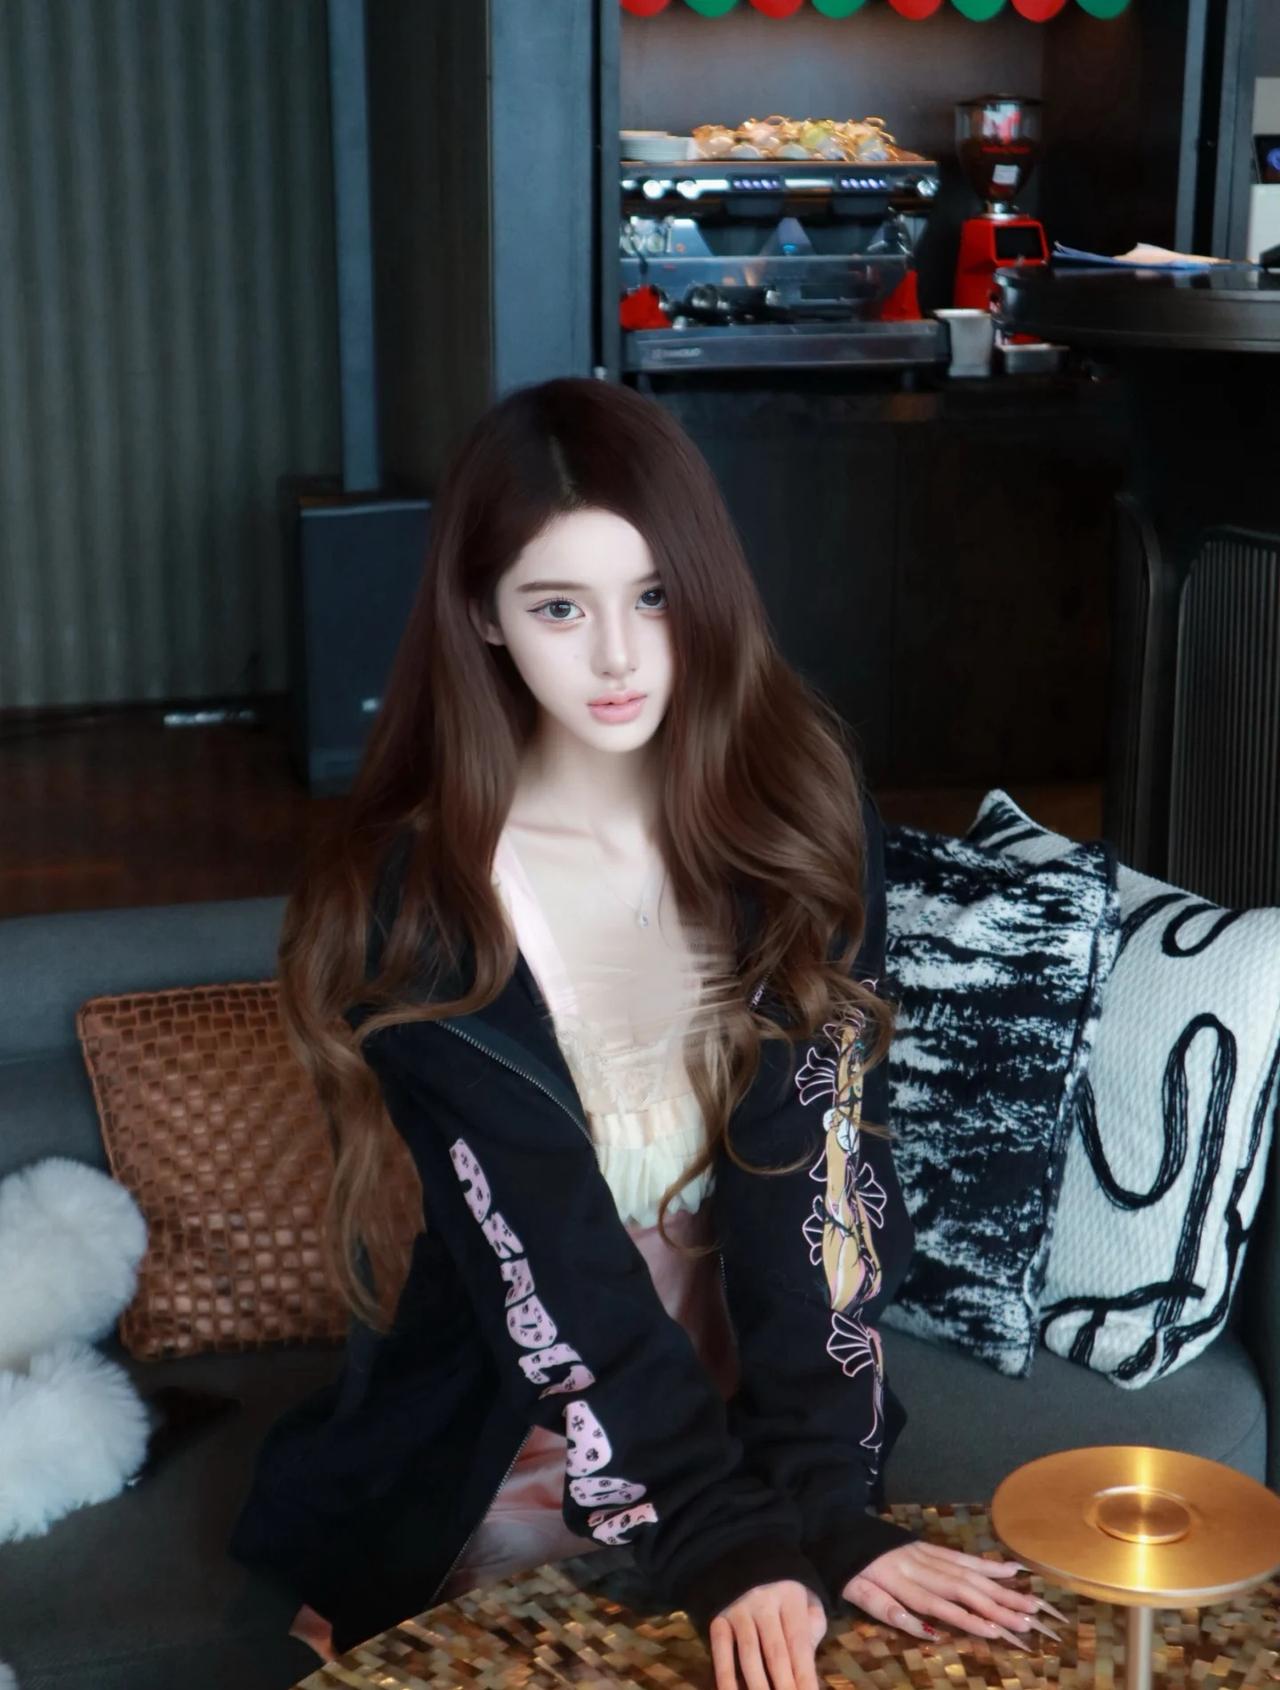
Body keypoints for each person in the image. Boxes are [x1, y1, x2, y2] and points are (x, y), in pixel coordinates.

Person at [228, 377, 1054, 1690]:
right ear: (484, 617)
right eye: (559, 607)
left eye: (654, 595)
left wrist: (825, 1499)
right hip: (533, 1415)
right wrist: (722, 1530)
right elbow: (549, 1255)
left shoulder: (793, 805)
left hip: (773, 1387)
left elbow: (818, 1171)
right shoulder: (421, 901)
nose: (618, 656)